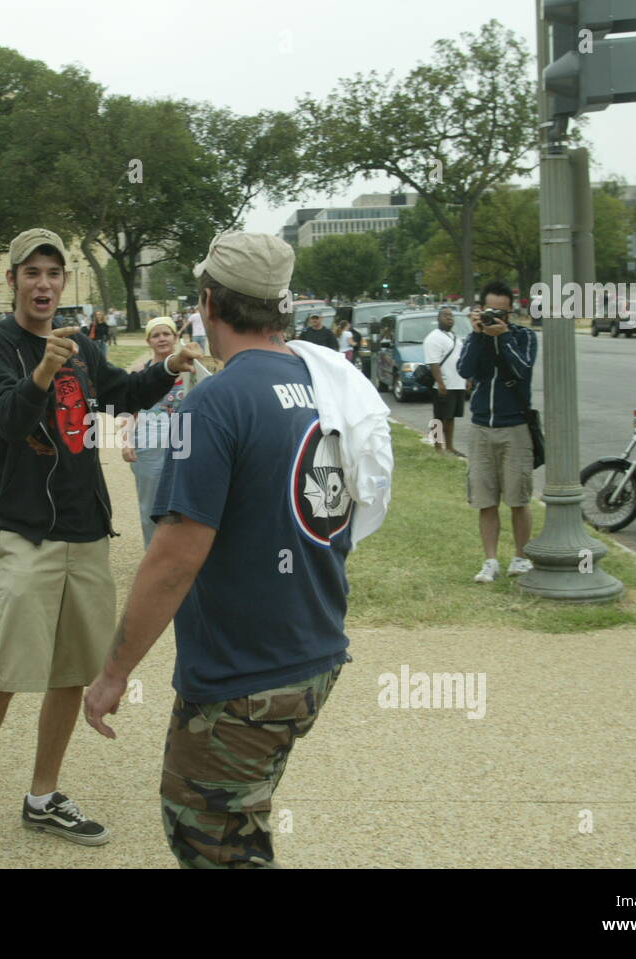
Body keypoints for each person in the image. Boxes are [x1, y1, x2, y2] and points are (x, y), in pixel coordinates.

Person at [82, 231, 392, 868]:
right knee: (240, 826)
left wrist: (113, 674)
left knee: (209, 840)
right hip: (313, 651)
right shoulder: (323, 383)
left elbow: (174, 559)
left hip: (247, 676)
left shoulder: (213, 402)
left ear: (208, 303)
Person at [0, 227, 202, 861]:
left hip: (86, 529)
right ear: (11, 281)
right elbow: (5, 424)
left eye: (53, 273)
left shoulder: (83, 346)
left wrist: (166, 368)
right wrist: (41, 369)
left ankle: (43, 797)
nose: (43, 284)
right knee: (5, 669)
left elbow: (122, 391)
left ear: (63, 280)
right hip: (25, 532)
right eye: (31, 273)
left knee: (71, 669)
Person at [456, 280, 539, 583]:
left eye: (502, 313)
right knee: (485, 499)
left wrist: (503, 338)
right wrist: (479, 336)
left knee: (518, 498)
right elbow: (464, 370)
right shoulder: (473, 338)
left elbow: (522, 371)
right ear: (480, 309)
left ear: (511, 312)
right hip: (481, 428)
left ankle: (521, 556)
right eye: (491, 312)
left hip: (515, 426)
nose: (496, 319)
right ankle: (490, 561)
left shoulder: (524, 336)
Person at [117, 316, 188, 548]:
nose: (161, 339)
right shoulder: (141, 371)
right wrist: (126, 441)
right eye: (156, 335)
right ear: (148, 341)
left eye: (166, 334)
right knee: (150, 504)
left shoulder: (190, 371)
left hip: (185, 440)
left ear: (176, 337)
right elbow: (129, 410)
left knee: (185, 501)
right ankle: (154, 552)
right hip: (148, 442)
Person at [423, 307, 466, 456]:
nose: (449, 318)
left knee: (451, 417)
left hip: (457, 383)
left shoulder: (454, 337)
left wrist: (467, 379)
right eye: (445, 315)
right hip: (443, 385)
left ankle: (450, 446)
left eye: (451, 316)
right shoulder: (433, 338)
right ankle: (438, 448)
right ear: (438, 319)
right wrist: (440, 383)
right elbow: (433, 363)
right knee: (439, 418)